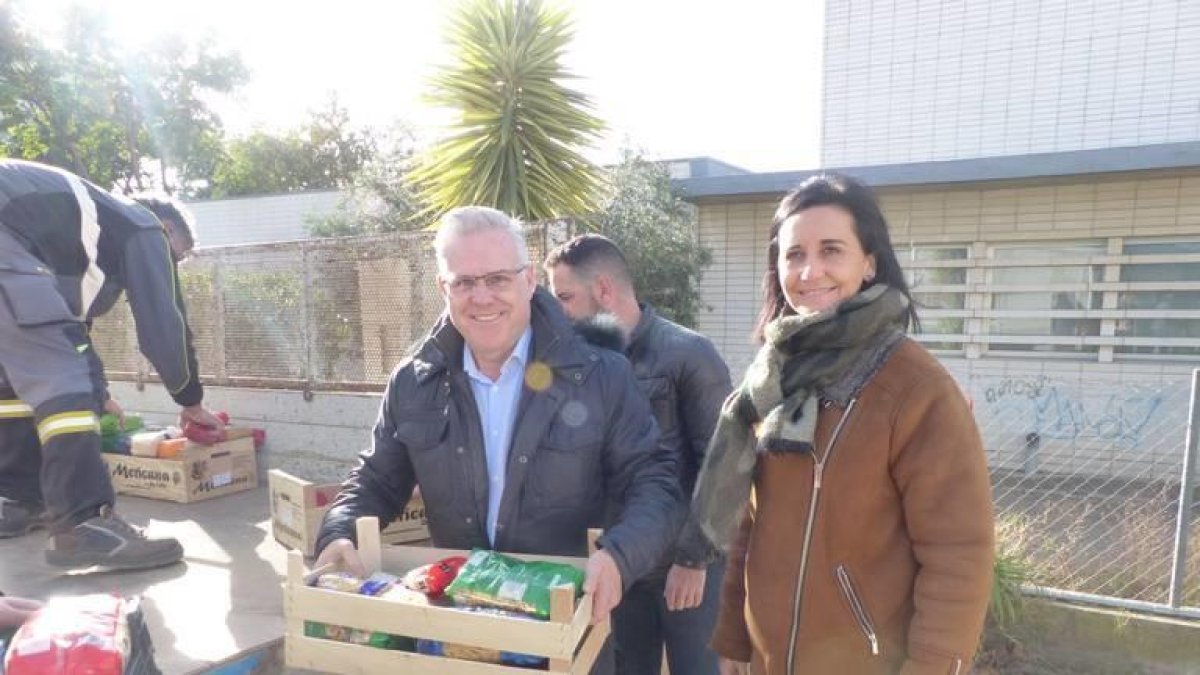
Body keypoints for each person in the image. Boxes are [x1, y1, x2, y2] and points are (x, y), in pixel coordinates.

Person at [315, 207, 682, 635]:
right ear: (443, 288)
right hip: (460, 628)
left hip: (566, 624)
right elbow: (375, 481)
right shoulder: (414, 382)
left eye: (497, 279)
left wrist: (619, 556)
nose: (482, 297)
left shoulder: (601, 375)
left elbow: (654, 481)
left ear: (528, 281)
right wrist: (339, 532)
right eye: (465, 282)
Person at [692, 174, 994, 675]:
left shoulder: (917, 390)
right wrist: (734, 641)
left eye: (832, 250)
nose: (811, 271)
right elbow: (751, 524)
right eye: (794, 255)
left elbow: (959, 554)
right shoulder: (770, 382)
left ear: (869, 262)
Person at [0, 159, 223, 570]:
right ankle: (85, 524)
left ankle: (18, 499)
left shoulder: (71, 233)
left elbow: (69, 333)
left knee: (10, 383)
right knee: (63, 381)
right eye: (181, 256)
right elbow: (162, 322)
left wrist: (97, 392)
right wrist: (190, 399)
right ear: (168, 229)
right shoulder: (142, 224)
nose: (175, 265)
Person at [545, 234, 731, 675]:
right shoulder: (578, 365)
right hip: (620, 563)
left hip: (685, 565)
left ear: (604, 290)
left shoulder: (689, 353)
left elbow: (722, 465)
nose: (558, 312)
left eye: (565, 297)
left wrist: (693, 559)